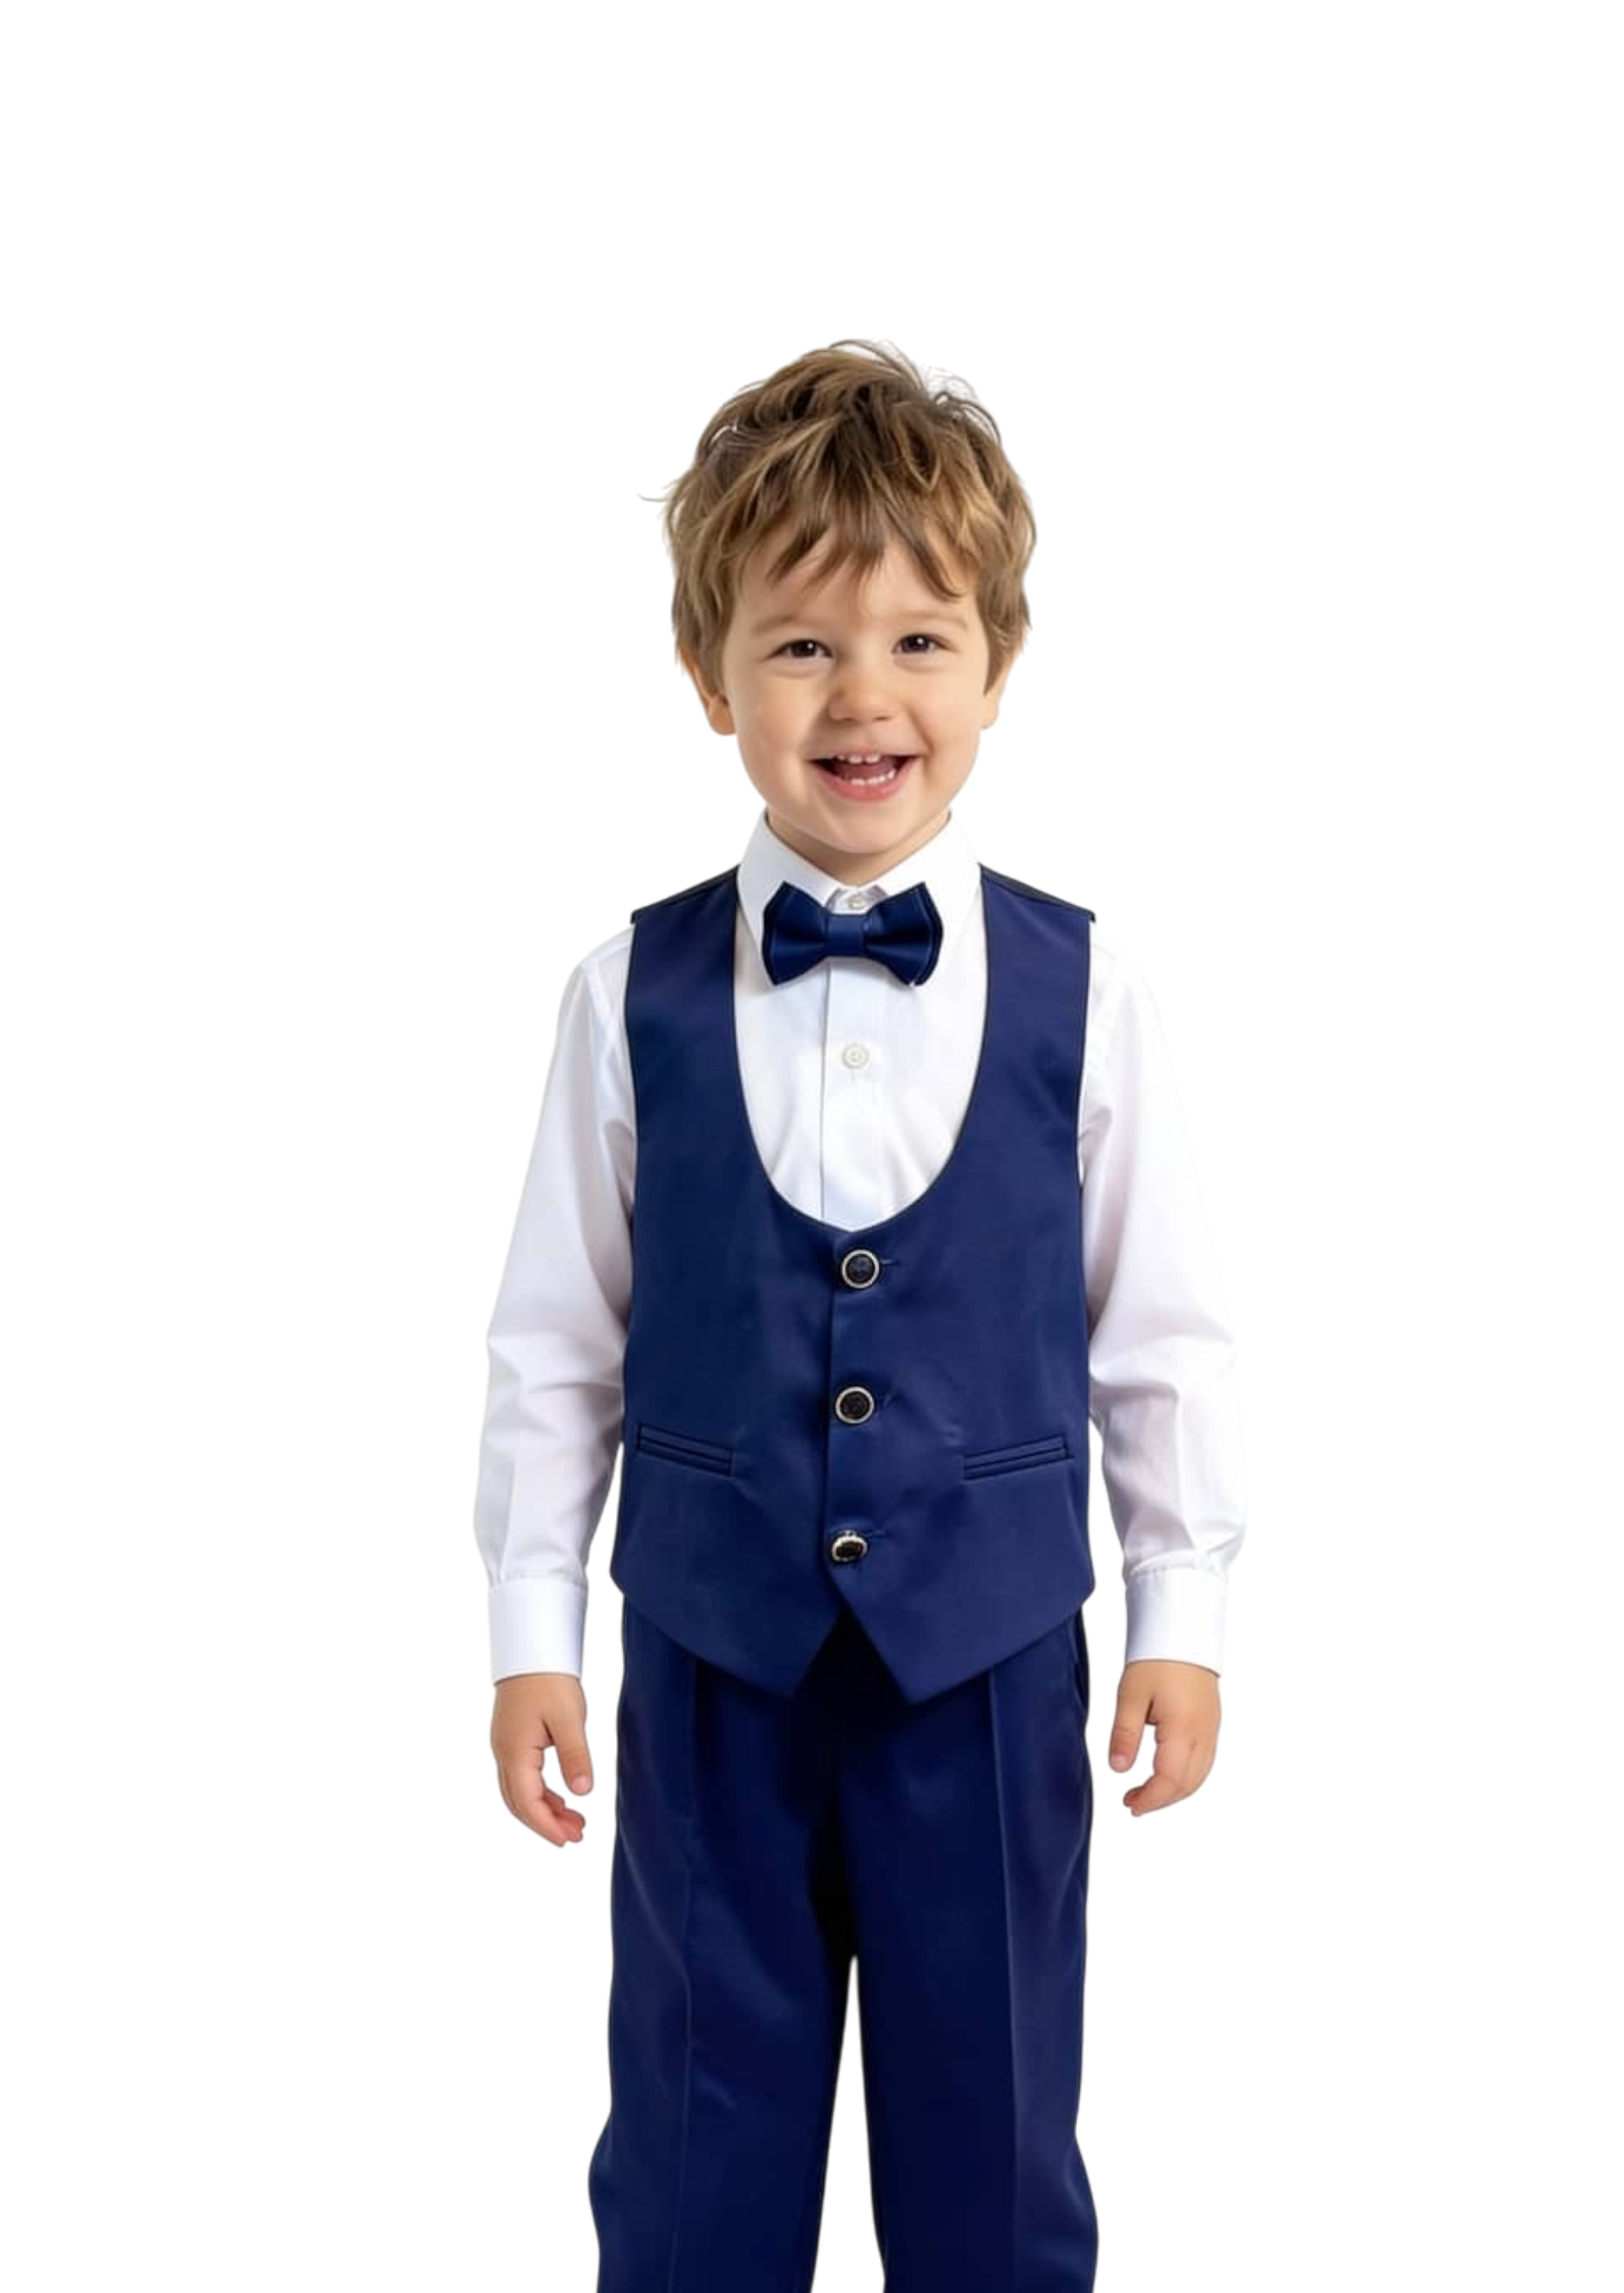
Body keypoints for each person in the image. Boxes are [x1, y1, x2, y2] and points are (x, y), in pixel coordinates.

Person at [473, 336, 1247, 2290]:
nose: (862, 698)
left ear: (1003, 665)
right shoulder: (619, 995)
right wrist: (530, 1630)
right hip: (707, 1650)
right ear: (700, 671)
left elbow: (1163, 1335)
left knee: (994, 2131)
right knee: (693, 2131)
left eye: (918, 641)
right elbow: (554, 1343)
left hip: (989, 1651)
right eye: (801, 646)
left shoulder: (1094, 992)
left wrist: (1183, 1610)